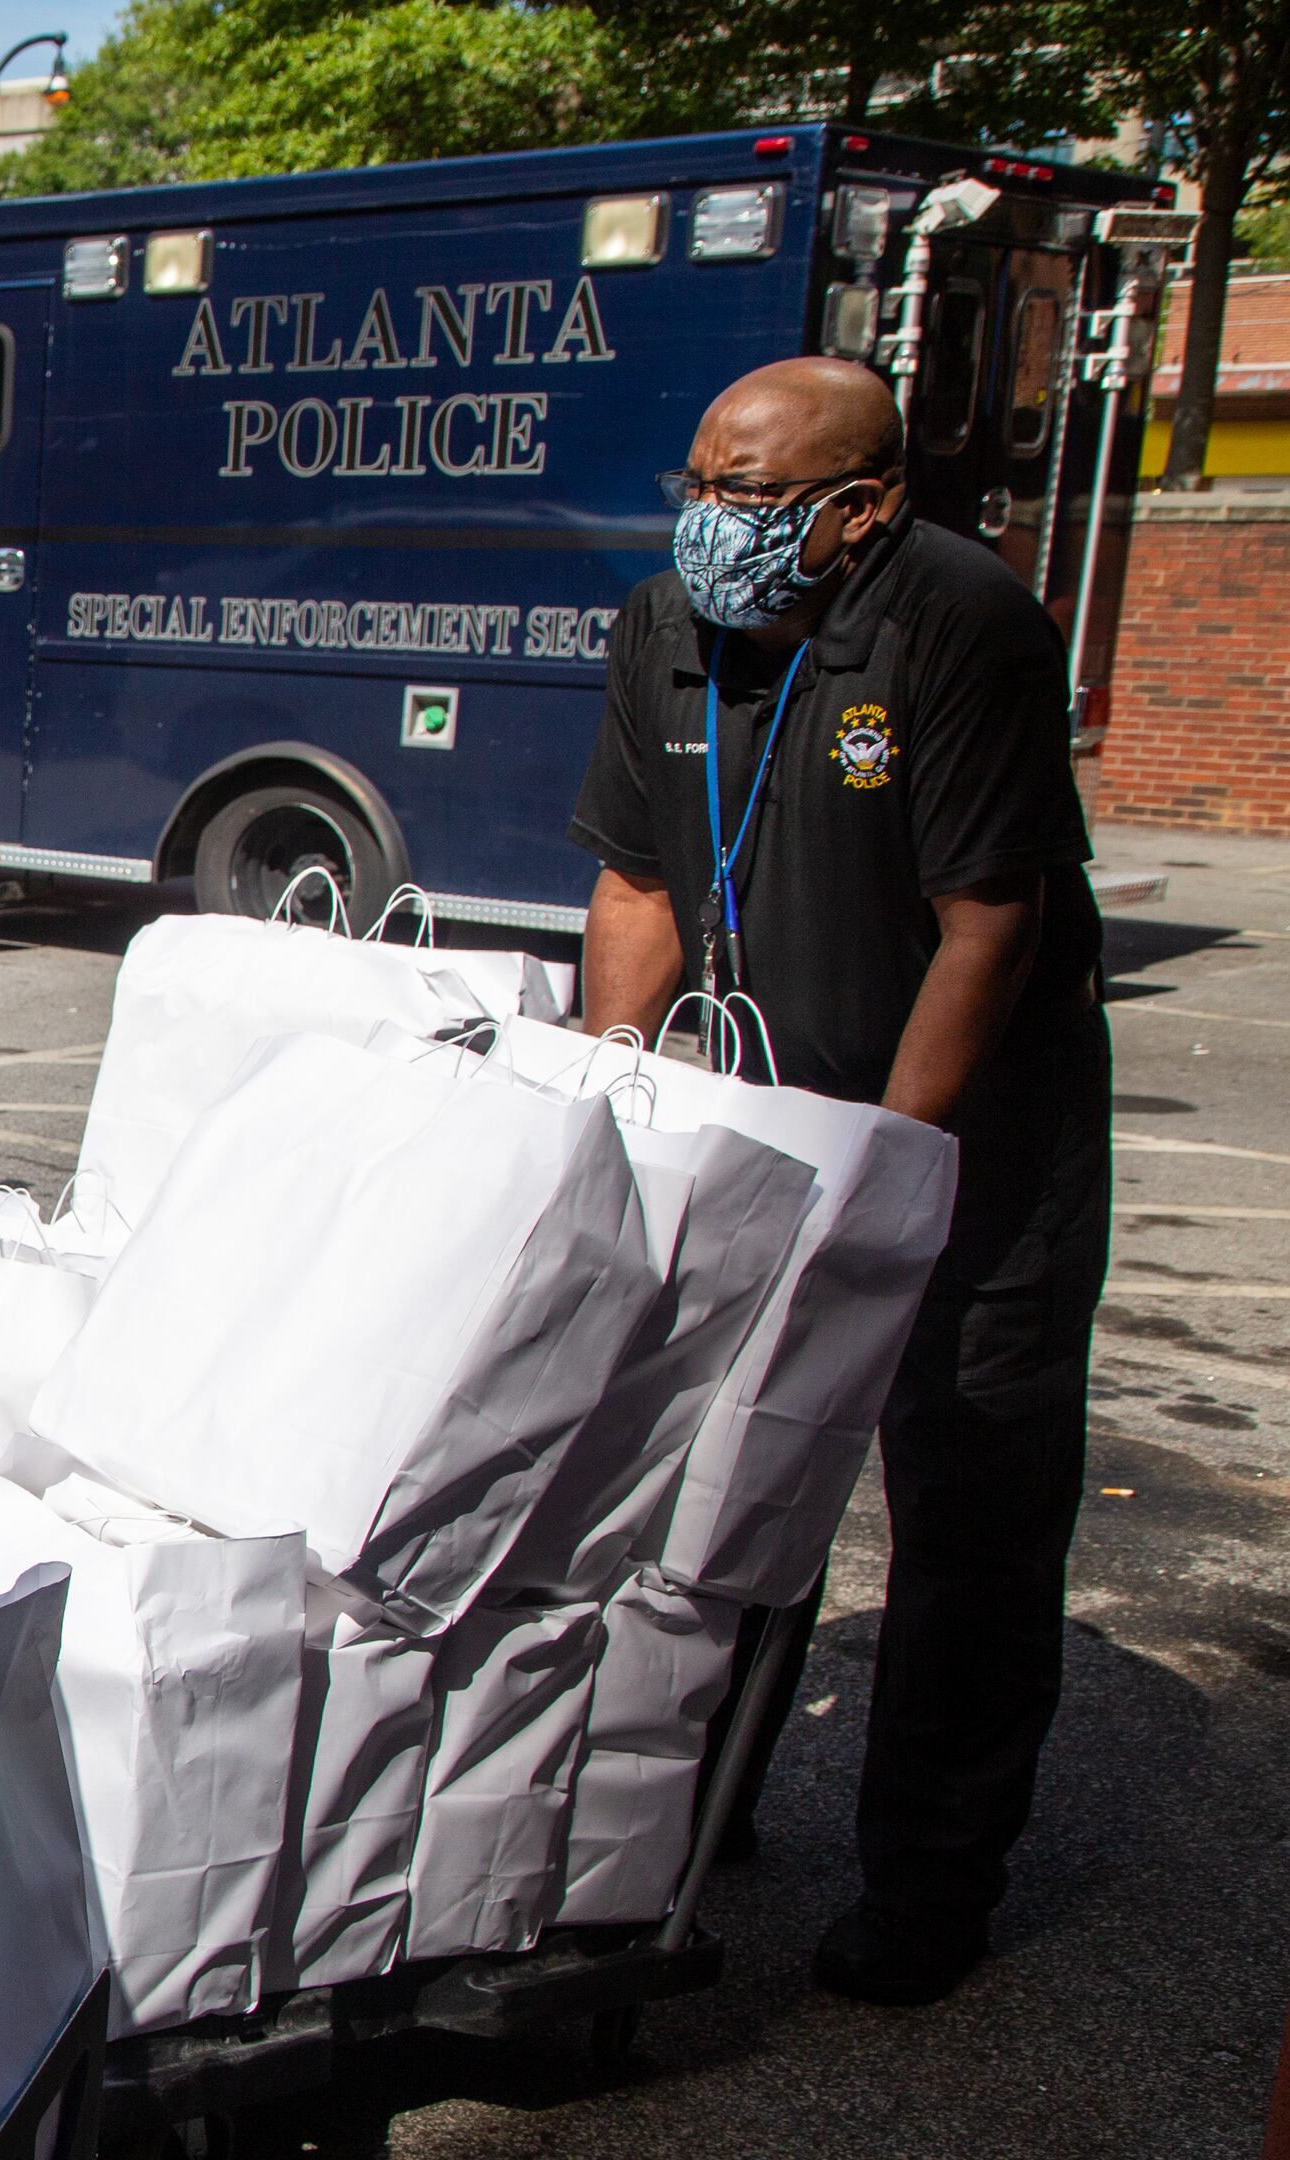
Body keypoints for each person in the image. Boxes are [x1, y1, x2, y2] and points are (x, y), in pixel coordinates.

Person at [569, 355, 1110, 2008]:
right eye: (698, 483)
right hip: (761, 1119)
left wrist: (886, 1164)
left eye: (748, 496)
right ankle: (701, 1807)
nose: (708, 523)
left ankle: (928, 1888)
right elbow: (643, 878)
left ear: (859, 511)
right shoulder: (669, 620)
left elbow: (990, 926)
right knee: (725, 1481)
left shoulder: (964, 626)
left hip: (966, 1146)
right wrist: (619, 1094)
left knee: (968, 1516)